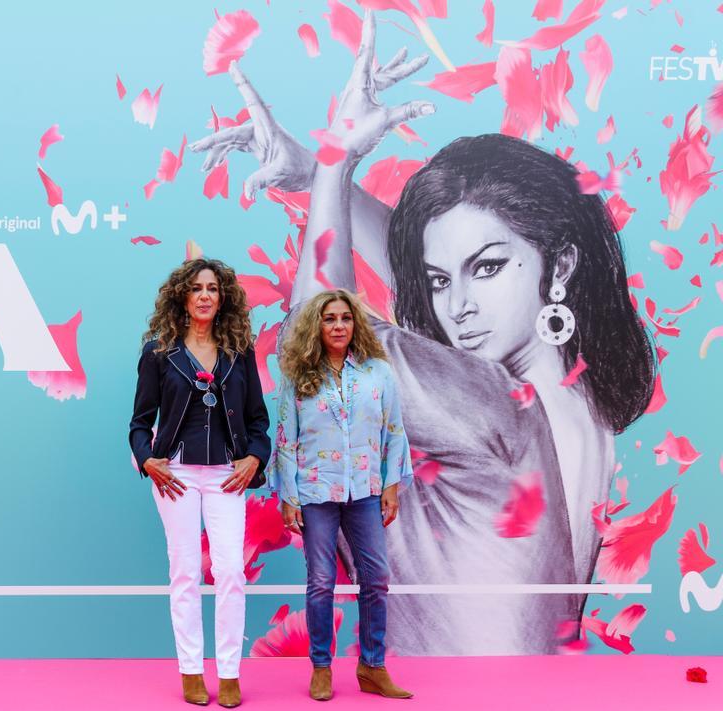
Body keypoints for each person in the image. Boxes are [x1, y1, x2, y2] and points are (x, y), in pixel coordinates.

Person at [190, 12, 655, 654]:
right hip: (526, 709)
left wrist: (334, 163)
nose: (457, 306)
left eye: (487, 269)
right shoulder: (581, 392)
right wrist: (318, 175)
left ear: (561, 262)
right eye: (443, 281)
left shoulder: (499, 406)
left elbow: (315, 333)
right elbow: (439, 271)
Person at [129, 257, 271, 706]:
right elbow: (138, 423)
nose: (205, 295)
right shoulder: (158, 353)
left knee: (230, 571)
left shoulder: (239, 352)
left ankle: (228, 672)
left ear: (223, 296)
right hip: (177, 476)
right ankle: (191, 670)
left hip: (227, 475)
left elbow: (258, 422)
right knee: (186, 572)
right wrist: (148, 461)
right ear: (182, 298)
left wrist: (254, 459)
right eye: (196, 288)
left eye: (212, 288)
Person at [273, 289, 413, 700]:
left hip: (366, 490)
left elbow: (393, 431)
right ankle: (321, 667)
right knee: (320, 581)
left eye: (345, 318)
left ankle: (372, 666)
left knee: (376, 576)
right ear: (317, 325)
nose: (338, 326)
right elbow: (286, 439)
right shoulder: (298, 376)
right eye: (330, 318)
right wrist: (289, 495)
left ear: (355, 324)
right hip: (316, 491)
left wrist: (391, 486)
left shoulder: (378, 374)